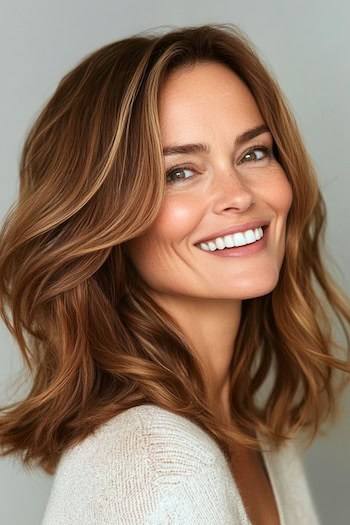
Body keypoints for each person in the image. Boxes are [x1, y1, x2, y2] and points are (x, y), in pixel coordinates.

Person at [0, 23, 349, 525]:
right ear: (103, 216)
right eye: (179, 172)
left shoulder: (258, 436)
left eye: (254, 153)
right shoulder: (157, 467)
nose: (239, 195)